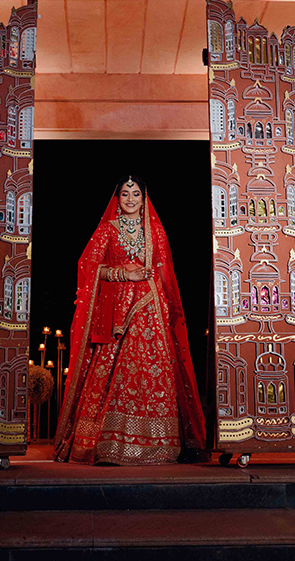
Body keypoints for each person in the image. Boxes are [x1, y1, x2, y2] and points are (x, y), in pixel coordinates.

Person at [54, 176, 206, 465]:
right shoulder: (106, 231)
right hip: (116, 314)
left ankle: (160, 444)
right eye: (125, 193)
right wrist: (123, 273)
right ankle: (108, 444)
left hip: (151, 310)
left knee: (154, 371)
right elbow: (87, 269)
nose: (131, 199)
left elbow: (165, 275)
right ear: (117, 198)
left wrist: (167, 314)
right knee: (114, 372)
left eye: (136, 193)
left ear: (144, 197)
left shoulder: (156, 232)